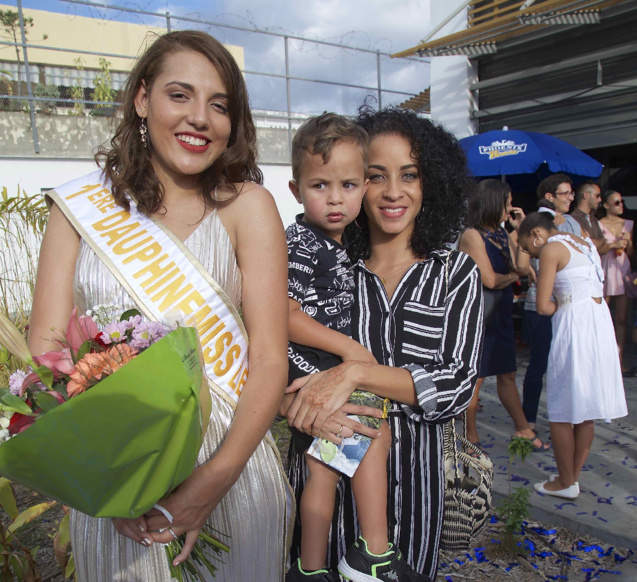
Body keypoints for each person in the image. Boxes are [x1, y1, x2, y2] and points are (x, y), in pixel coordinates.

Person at [28, 31, 291, 581]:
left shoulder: (249, 207)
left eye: (219, 105)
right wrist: (108, 479)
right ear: (142, 100)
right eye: (180, 95)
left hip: (232, 472)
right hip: (119, 479)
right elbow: (46, 349)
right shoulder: (79, 208)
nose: (201, 118)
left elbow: (269, 358)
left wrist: (209, 485)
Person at [282, 106, 483, 580]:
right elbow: (279, 350)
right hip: (325, 482)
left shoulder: (454, 274)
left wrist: (354, 371)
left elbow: (455, 383)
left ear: (430, 183)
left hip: (416, 491)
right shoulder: (331, 273)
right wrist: (293, 402)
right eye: (376, 176)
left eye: (409, 175)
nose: (394, 192)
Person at [517, 212, 628, 499]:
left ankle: (565, 483)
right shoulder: (584, 241)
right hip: (600, 323)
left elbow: (542, 306)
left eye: (529, 248)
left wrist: (565, 305)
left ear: (536, 234)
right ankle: (571, 477)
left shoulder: (552, 248)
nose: (531, 254)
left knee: (563, 406)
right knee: (585, 407)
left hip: (575, 326)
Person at [458, 180, 546, 451]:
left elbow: (521, 267)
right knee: (476, 379)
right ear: (493, 201)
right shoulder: (472, 235)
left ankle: (522, 428)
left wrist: (520, 232)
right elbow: (491, 280)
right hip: (481, 318)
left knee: (507, 374)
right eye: (507, 202)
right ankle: (469, 437)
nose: (511, 208)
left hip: (502, 315)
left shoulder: (500, 234)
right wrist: (511, 277)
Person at [520, 175, 589, 430]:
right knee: (539, 363)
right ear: (549, 197)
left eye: (572, 193)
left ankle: (572, 418)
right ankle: (529, 420)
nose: (571, 197)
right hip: (542, 302)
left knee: (569, 364)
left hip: (571, 307)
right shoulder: (535, 224)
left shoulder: (573, 223)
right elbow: (522, 262)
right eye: (566, 193)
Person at [597, 189, 634, 372]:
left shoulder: (628, 224)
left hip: (622, 270)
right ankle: (603, 359)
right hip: (605, 270)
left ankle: (618, 361)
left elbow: (632, 255)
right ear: (606, 205)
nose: (621, 206)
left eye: (622, 202)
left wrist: (629, 243)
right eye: (617, 202)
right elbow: (597, 250)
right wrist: (613, 244)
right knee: (602, 317)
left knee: (621, 318)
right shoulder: (598, 224)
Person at [571, 181, 609, 255]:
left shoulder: (594, 219)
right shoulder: (572, 219)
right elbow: (582, 247)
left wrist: (593, 242)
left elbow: (605, 249)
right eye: (597, 196)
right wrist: (602, 240)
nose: (600, 200)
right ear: (586, 195)